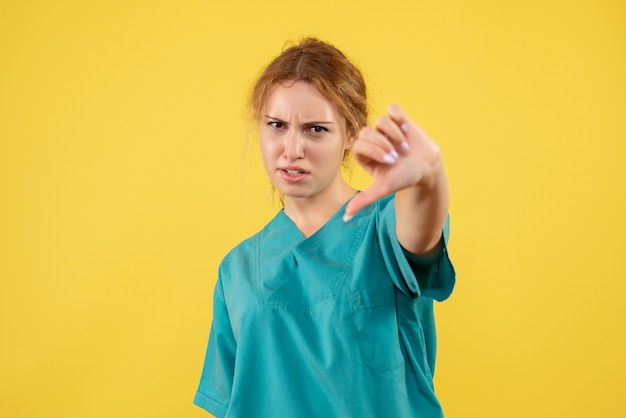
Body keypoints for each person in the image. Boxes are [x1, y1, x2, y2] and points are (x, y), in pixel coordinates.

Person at [193, 37, 456, 418]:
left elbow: (421, 236)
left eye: (316, 129)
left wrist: (428, 178)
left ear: (351, 133)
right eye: (277, 125)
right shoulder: (237, 270)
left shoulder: (385, 228)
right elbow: (233, 402)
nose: (292, 148)